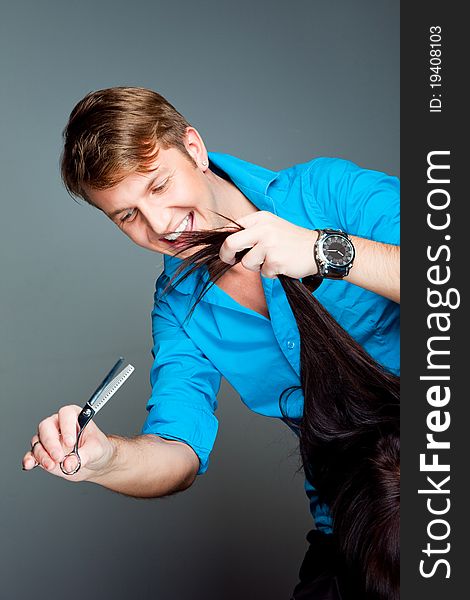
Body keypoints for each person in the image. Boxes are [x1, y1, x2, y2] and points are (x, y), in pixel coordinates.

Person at [21, 87, 400, 598]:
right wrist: (104, 457)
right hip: (358, 528)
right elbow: (178, 450)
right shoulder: (178, 309)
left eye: (157, 186)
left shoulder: (326, 193)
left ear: (194, 149)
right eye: (127, 215)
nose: (158, 226)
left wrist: (324, 250)